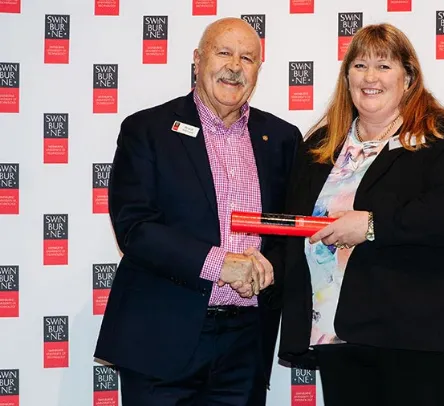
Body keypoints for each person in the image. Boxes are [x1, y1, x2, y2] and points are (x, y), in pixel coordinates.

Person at [277, 23, 444, 406]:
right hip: (339, 337)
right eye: (360, 66)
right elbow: (294, 225)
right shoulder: (321, 146)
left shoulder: (443, 137)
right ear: (346, 78)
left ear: (408, 77)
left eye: (384, 66)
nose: (370, 77)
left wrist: (372, 225)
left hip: (425, 341)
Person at [94, 17, 301, 406]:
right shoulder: (148, 130)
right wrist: (219, 264)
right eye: (223, 52)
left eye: (247, 58)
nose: (234, 66)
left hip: (245, 345)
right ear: (197, 59)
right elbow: (135, 227)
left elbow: (288, 228)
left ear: (259, 69)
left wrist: (269, 266)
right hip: (160, 340)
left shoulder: (283, 138)